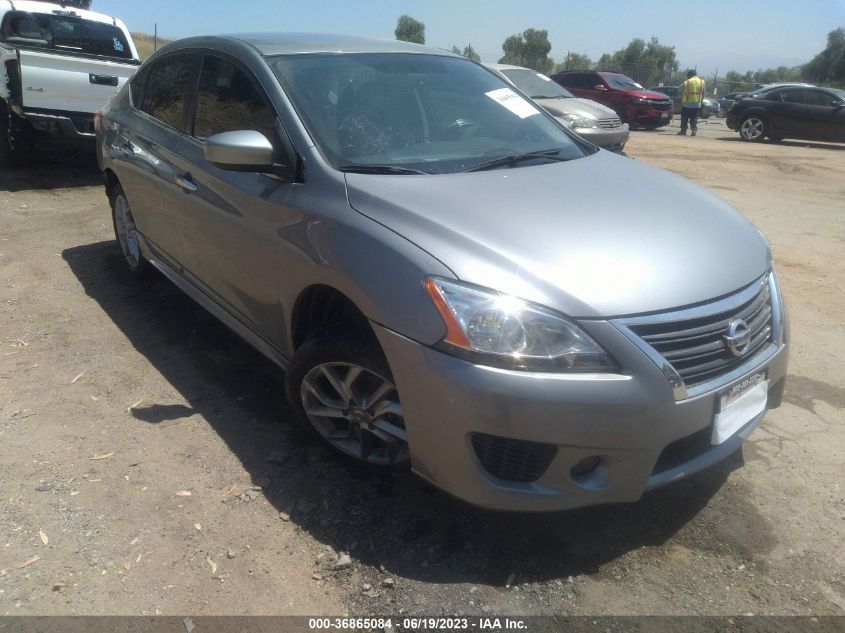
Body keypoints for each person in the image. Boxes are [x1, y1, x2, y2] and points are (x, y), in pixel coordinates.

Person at [678, 69, 705, 136]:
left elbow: (679, 89)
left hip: (686, 104)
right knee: (694, 118)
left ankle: (683, 131)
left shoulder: (687, 82)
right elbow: (703, 93)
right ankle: (694, 130)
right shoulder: (702, 82)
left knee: (684, 118)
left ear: (690, 75)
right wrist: (701, 102)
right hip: (696, 104)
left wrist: (681, 95)